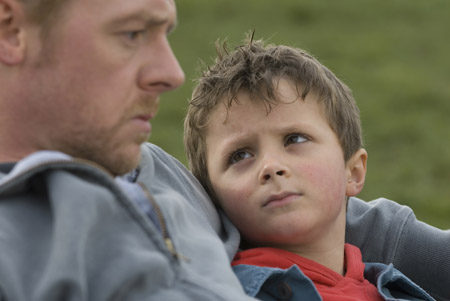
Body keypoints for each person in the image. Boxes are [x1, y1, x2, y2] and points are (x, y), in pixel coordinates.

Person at [0, 0, 447, 300]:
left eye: (294, 140)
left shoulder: (147, 167)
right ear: (11, 30)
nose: (172, 72)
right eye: (132, 33)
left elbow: (349, 222)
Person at [184, 37, 447, 300]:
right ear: (212, 199)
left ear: (353, 172)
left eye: (294, 139)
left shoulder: (392, 284)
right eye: (240, 155)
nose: (271, 166)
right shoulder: (223, 293)